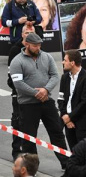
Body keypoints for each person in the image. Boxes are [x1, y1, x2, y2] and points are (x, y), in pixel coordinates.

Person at [9, 33, 68, 169]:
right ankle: (32, 168)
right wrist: (37, 93)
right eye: (35, 45)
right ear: (27, 44)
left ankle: (66, 163)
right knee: (29, 138)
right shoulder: (17, 61)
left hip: (46, 101)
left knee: (57, 132)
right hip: (28, 105)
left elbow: (54, 75)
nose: (38, 48)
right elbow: (18, 84)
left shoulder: (47, 57)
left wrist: (45, 90)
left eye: (39, 45)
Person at [57, 49, 86, 150]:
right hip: (67, 122)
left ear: (72, 63)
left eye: (65, 60)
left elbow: (85, 102)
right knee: (73, 151)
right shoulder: (65, 77)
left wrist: (70, 117)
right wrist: (65, 117)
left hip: (81, 123)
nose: (62, 62)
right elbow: (61, 99)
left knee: (83, 151)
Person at [7, 25, 36, 160]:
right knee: (18, 122)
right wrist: (23, 88)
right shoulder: (15, 50)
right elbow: (10, 79)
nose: (29, 34)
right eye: (27, 32)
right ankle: (16, 151)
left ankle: (30, 153)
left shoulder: (38, 50)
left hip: (36, 96)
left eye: (32, 32)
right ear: (22, 34)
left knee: (31, 124)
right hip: (19, 95)